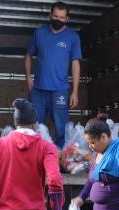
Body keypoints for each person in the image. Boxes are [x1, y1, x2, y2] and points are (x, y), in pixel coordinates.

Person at [25, 1, 82, 148]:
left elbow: (75, 64)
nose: (58, 19)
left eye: (61, 17)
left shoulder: (73, 37)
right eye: (55, 16)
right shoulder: (39, 33)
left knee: (61, 129)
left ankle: (60, 161)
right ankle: (36, 159)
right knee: (35, 127)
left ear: (67, 19)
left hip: (60, 90)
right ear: (50, 15)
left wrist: (75, 91)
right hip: (38, 89)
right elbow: (28, 55)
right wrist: (28, 78)